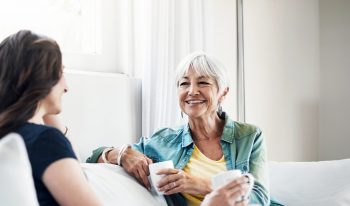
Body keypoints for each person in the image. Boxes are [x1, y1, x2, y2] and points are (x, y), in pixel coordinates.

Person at [87, 52, 270, 206]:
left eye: (203, 83)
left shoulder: (249, 136)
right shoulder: (164, 141)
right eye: (184, 83)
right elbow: (93, 158)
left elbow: (260, 199)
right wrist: (123, 154)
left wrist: (198, 184)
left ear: (223, 92)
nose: (192, 91)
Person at [0, 30, 101, 205]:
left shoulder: (10, 136)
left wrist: (42, 111)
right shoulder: (44, 140)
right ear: (39, 75)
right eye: (61, 72)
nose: (66, 87)